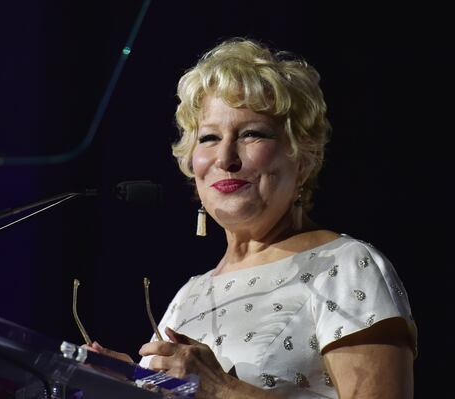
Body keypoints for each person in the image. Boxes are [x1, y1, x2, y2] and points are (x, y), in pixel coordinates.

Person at [87, 38, 417, 399]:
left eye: (251, 134)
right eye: (209, 137)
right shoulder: (189, 295)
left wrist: (222, 389)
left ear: (302, 159)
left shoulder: (345, 267)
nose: (226, 157)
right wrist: (127, 385)